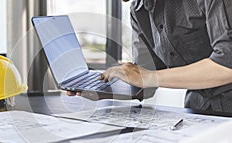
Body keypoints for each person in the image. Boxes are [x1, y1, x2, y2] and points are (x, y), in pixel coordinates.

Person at [68, 0, 232, 112]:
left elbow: (227, 64)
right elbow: (143, 82)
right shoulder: (138, 11)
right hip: (198, 112)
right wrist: (103, 90)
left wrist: (148, 77)